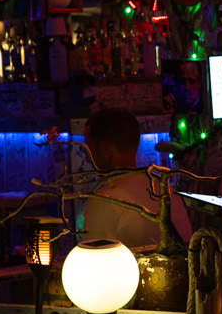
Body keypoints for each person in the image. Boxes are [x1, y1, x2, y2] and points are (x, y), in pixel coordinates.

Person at [81, 108, 189, 253]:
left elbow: (94, 261)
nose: (88, 155)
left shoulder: (104, 200)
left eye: (89, 146)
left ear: (105, 148)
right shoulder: (169, 193)